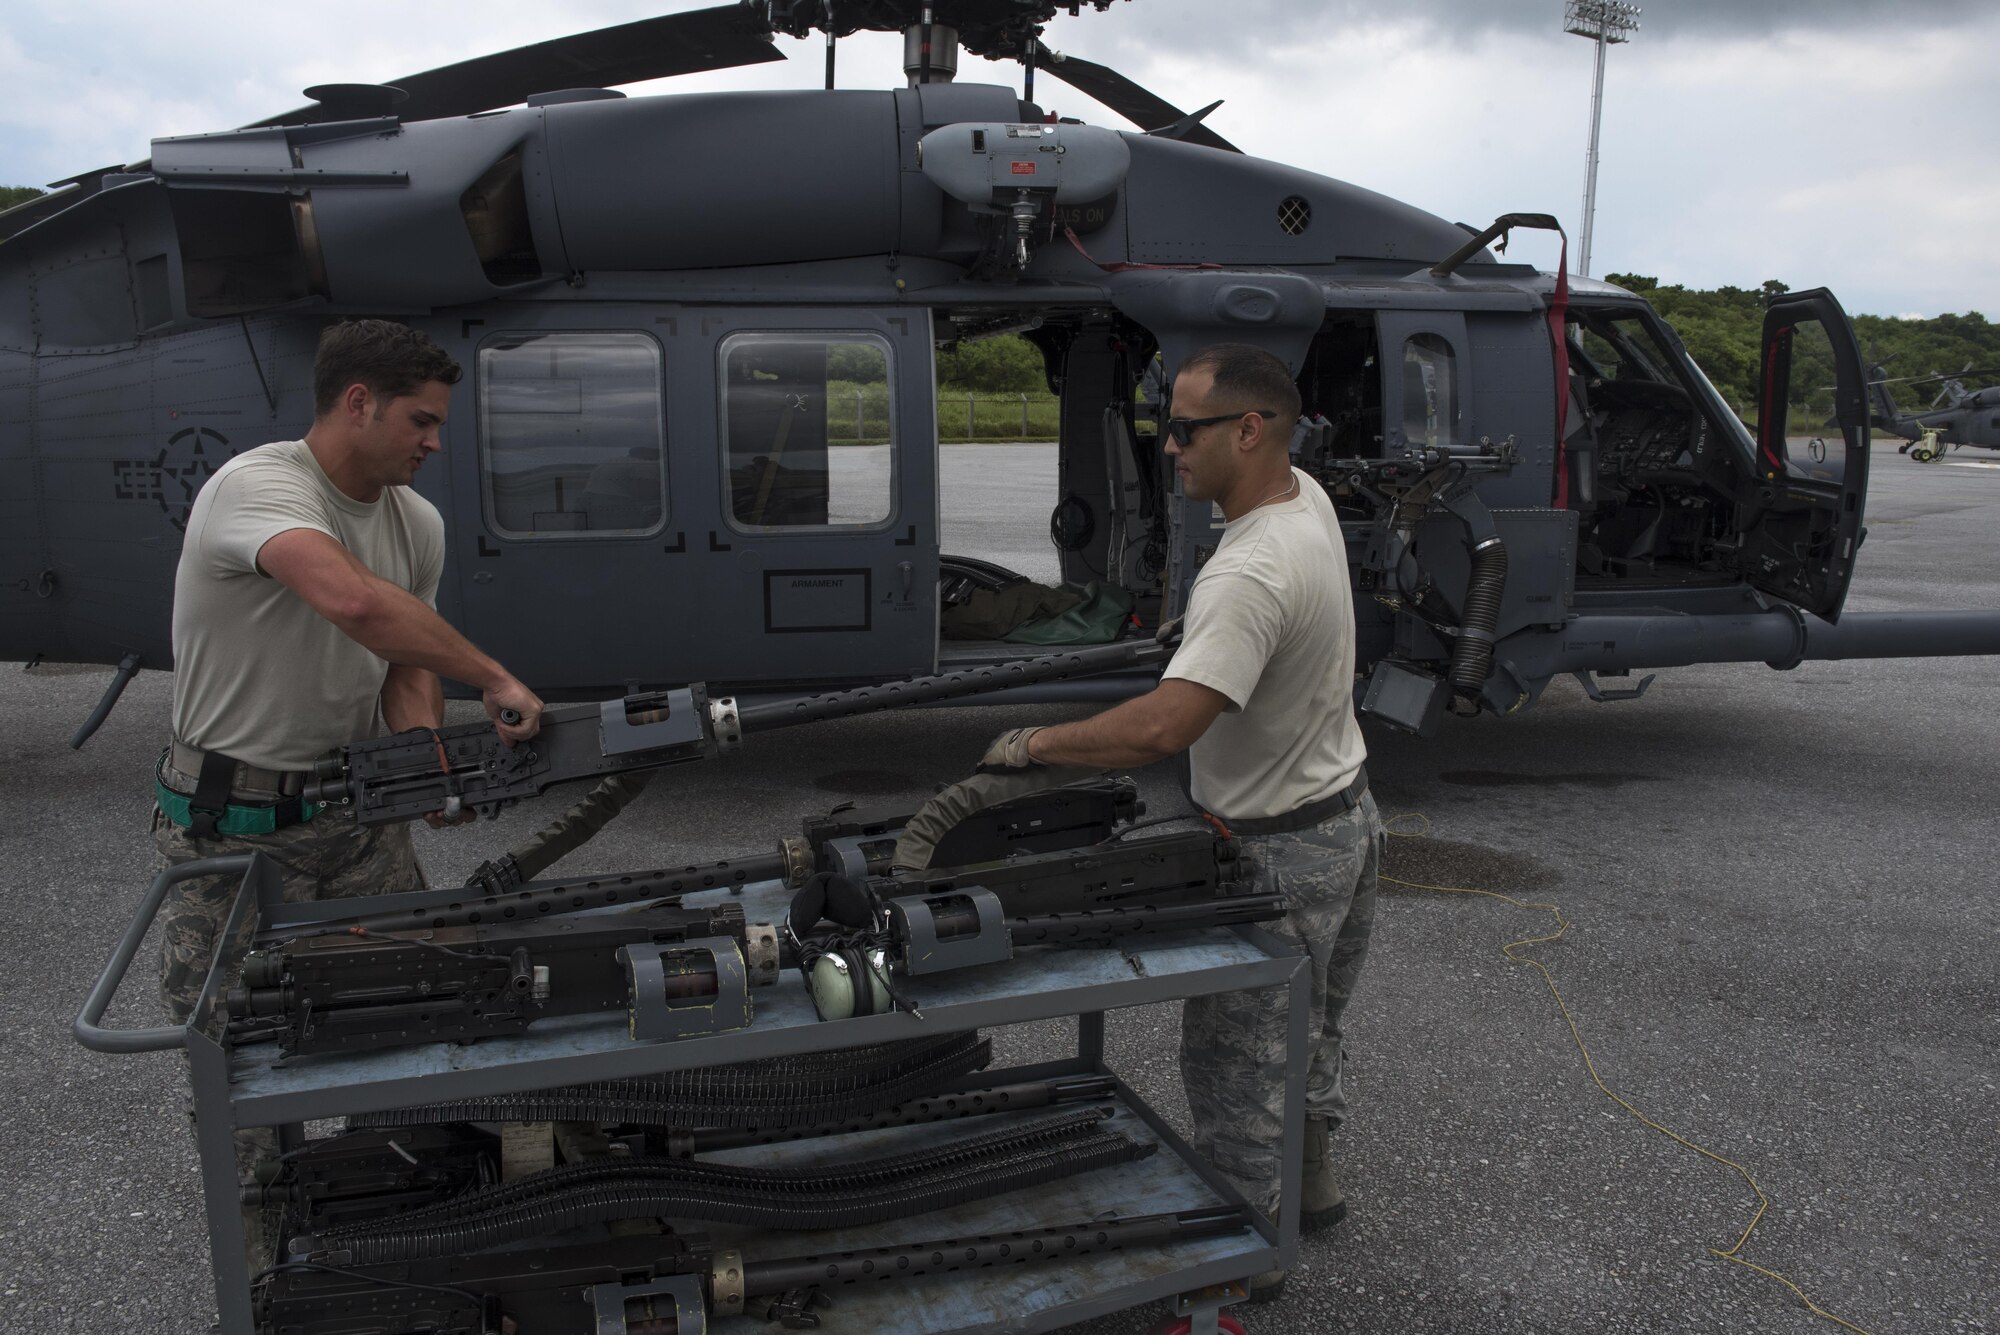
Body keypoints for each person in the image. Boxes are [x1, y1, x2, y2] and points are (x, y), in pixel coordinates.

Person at [976, 342, 1379, 1300]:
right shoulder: (1303, 496)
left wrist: (1036, 745)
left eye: (1185, 428)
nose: (1167, 447)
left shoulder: (1248, 572)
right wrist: (1196, 640)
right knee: (1313, 1021)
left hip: (1277, 849)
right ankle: (1312, 1182)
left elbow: (1161, 728)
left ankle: (1245, 1257)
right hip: (1349, 821)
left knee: (1240, 1065)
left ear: (1250, 430)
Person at [152, 319, 545, 1025]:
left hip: (356, 817)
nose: (434, 441)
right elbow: (355, 601)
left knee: (409, 1012)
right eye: (420, 421)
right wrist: (493, 677)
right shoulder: (256, 486)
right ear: (358, 402)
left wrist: (424, 759)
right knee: (237, 1050)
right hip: (239, 827)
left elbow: (405, 658)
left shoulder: (417, 522)